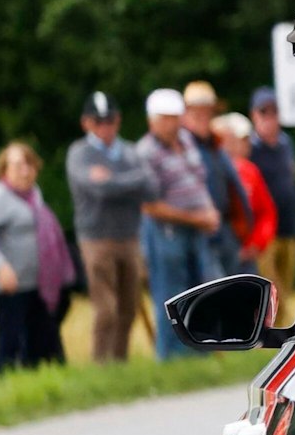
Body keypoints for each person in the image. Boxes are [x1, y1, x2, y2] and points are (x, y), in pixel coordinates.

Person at [65, 92, 156, 362]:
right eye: (98, 121)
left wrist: (113, 180)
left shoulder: (129, 151)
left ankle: (119, 362)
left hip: (129, 236)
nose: (105, 126)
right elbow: (98, 190)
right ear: (86, 123)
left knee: (129, 307)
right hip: (96, 238)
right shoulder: (79, 153)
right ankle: (101, 362)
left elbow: (151, 187)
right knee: (106, 309)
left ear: (118, 120)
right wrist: (132, 181)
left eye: (110, 120)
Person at [133, 88, 221, 360]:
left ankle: (200, 349)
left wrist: (209, 211)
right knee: (170, 293)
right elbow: (150, 205)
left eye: (176, 117)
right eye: (167, 118)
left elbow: (198, 180)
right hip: (166, 231)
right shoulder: (146, 152)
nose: (173, 124)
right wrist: (196, 217)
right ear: (153, 121)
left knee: (199, 289)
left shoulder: (186, 140)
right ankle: (170, 355)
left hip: (197, 228)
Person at [0, 143, 78, 371]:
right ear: (4, 170)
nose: (25, 171)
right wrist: (1, 267)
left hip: (39, 284)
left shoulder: (34, 195)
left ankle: (45, 381)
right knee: (11, 342)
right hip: (12, 286)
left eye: (29, 165)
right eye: (18, 166)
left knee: (44, 342)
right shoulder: (0, 197)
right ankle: (6, 382)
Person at [183, 80, 255, 277]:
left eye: (207, 112)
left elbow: (235, 189)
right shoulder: (181, 147)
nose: (203, 118)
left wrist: (242, 229)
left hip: (226, 229)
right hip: (196, 230)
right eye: (197, 112)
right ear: (186, 115)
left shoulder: (216, 146)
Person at [247, 88, 295, 324]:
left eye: (274, 111)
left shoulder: (285, 144)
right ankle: (272, 333)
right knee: (271, 290)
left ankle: (280, 333)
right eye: (264, 112)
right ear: (254, 115)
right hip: (265, 232)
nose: (270, 118)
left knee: (286, 289)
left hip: (289, 227)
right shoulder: (250, 148)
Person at [215, 113, 277, 275]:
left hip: (246, 257)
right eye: (241, 140)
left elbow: (267, 212)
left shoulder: (249, 170)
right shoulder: (207, 169)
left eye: (247, 139)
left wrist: (255, 245)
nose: (246, 145)